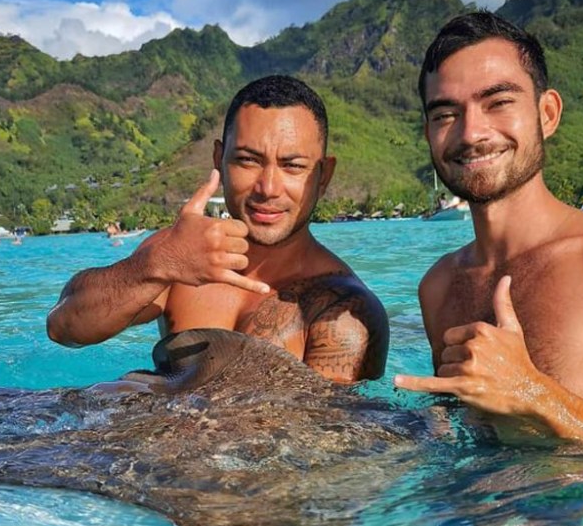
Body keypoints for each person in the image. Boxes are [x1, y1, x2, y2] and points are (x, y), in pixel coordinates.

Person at [394, 11, 583, 448]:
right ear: (429, 133)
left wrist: (537, 397)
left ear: (547, 113)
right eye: (445, 114)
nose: (471, 132)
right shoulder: (438, 287)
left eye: (498, 102)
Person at [48, 75, 388, 384]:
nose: (268, 187)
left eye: (292, 166)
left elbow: (333, 441)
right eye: (248, 160)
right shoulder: (179, 255)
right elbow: (64, 327)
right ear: (218, 159)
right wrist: (154, 265)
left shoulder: (344, 311)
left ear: (323, 176)